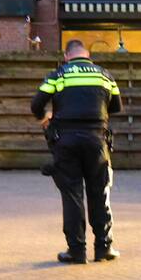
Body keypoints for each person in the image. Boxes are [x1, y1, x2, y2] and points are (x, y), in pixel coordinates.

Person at [31, 40, 122, 264]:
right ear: (88, 55)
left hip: (66, 141)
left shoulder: (58, 74)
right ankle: (104, 248)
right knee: (99, 193)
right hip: (96, 141)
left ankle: (77, 251)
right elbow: (116, 107)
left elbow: (36, 104)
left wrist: (46, 115)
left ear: (66, 56)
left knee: (72, 195)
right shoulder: (104, 76)